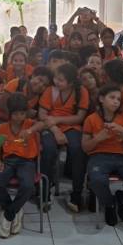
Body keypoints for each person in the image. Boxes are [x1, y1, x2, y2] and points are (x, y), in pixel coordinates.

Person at [83, 85, 123, 226]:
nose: (116, 102)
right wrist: (98, 138)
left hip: (121, 157)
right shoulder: (91, 119)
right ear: (101, 99)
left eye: (118, 99)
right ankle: (109, 204)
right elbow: (85, 147)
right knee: (98, 181)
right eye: (112, 97)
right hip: (98, 157)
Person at [0, 93, 45, 238]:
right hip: (8, 161)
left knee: (28, 186)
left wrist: (30, 131)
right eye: (16, 114)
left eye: (22, 113)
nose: (19, 117)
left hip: (27, 162)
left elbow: (43, 123)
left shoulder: (29, 124)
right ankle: (15, 209)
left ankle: (8, 215)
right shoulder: (2, 128)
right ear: (10, 113)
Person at [38, 63, 90, 212]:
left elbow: (79, 117)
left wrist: (58, 120)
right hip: (49, 126)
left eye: (61, 80)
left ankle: (76, 194)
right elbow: (42, 115)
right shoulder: (50, 90)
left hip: (71, 126)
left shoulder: (81, 91)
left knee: (78, 149)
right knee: (48, 150)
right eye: (56, 78)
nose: (56, 82)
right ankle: (44, 193)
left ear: (71, 82)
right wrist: (55, 129)